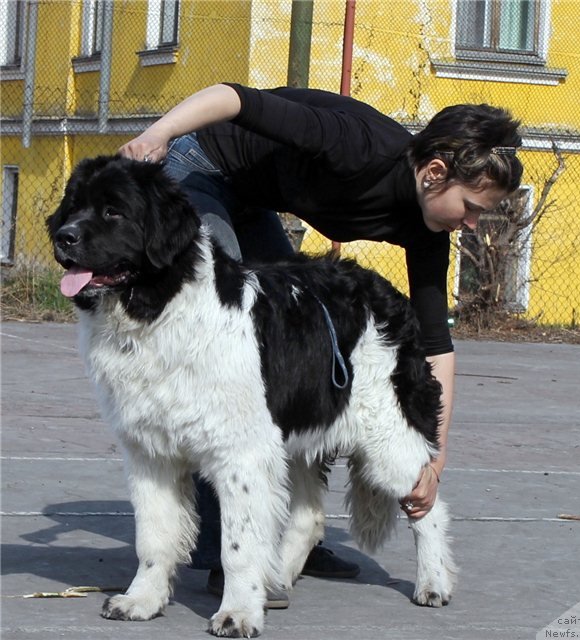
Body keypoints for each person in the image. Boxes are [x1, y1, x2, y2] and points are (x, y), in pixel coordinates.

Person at [119, 82, 523, 606]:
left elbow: (435, 344)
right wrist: (159, 135)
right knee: (226, 352)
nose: (471, 224)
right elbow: (233, 97)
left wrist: (433, 458)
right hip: (203, 167)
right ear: (435, 173)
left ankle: (298, 532)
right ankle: (233, 557)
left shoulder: (428, 226)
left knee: (296, 348)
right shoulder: (356, 147)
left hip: (254, 200)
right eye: (470, 207)